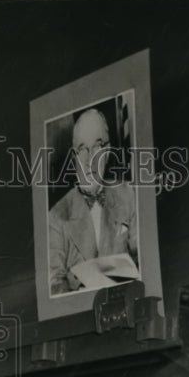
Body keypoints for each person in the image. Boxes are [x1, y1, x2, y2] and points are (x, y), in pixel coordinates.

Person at [48, 107, 138, 296]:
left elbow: (143, 259)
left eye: (97, 147)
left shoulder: (128, 195)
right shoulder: (56, 216)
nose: (90, 159)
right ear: (74, 158)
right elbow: (54, 285)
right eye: (82, 149)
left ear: (108, 150)